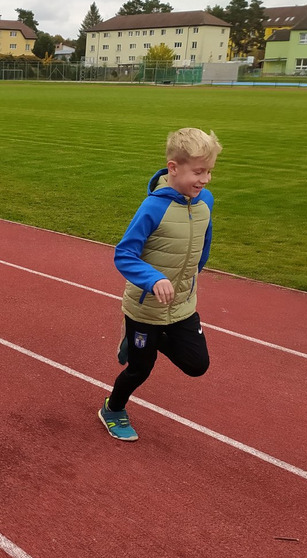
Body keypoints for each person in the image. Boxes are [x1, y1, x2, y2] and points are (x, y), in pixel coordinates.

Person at [99, 128, 223, 442]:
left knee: (197, 364)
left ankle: (147, 341)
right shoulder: (153, 208)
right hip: (146, 308)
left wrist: (193, 277)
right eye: (199, 172)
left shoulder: (205, 201)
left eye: (209, 171)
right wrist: (154, 278)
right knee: (140, 369)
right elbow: (124, 254)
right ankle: (113, 409)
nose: (205, 179)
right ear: (173, 168)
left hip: (182, 304)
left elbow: (204, 244)